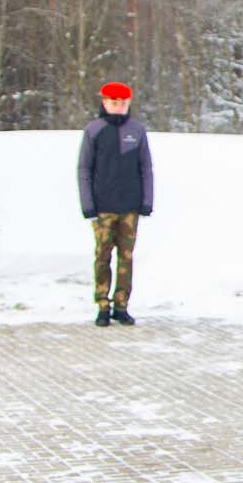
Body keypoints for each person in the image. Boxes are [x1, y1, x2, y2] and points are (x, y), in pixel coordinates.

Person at [78, 82, 153, 326]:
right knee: (102, 256)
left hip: (130, 207)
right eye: (113, 103)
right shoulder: (94, 130)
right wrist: (88, 204)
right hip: (102, 207)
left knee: (126, 257)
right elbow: (84, 169)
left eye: (122, 103)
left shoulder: (137, 131)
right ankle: (102, 305)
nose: (118, 107)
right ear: (104, 102)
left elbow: (146, 167)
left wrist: (146, 201)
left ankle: (122, 305)